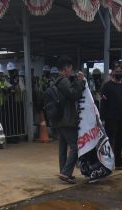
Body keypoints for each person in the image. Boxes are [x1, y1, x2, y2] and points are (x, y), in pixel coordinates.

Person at [51, 56, 85, 184]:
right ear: (66, 68)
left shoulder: (56, 81)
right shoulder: (63, 81)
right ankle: (65, 173)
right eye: (71, 68)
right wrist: (80, 81)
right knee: (75, 147)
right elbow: (74, 94)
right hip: (66, 119)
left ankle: (64, 171)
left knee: (63, 147)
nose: (72, 70)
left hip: (60, 119)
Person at [100, 61, 122, 171]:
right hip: (110, 118)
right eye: (117, 71)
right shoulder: (106, 86)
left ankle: (118, 164)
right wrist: (102, 119)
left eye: (121, 72)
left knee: (121, 141)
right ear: (112, 72)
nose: (119, 73)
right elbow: (103, 104)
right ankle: (106, 164)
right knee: (109, 141)